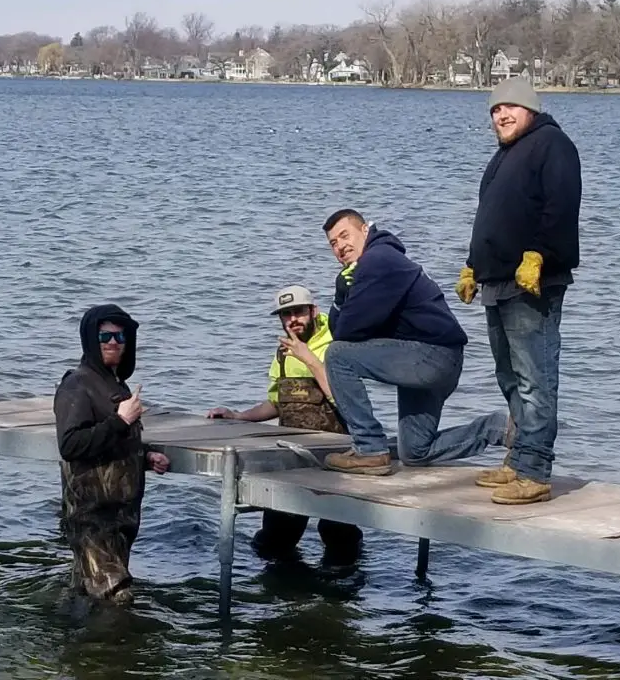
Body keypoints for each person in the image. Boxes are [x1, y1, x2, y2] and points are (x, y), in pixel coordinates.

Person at [455, 77, 582, 505]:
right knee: (509, 375)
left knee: (535, 378)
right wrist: (475, 265)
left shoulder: (552, 144)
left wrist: (540, 255)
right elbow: (493, 216)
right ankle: (518, 457)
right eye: (494, 110)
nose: (501, 116)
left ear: (530, 109)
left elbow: (560, 207)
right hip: (498, 281)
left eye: (509, 108)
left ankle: (535, 469)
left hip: (534, 282)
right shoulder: (504, 156)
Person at [321, 209, 510, 476]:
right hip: (437, 359)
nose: (340, 246)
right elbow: (344, 329)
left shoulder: (377, 261)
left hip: (430, 357)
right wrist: (341, 295)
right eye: (333, 243)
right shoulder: (380, 260)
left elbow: (345, 334)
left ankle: (369, 449)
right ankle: (499, 428)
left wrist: (344, 298)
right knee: (415, 452)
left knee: (337, 356)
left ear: (365, 230)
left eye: (344, 235)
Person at [207, 285, 363, 564]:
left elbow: (347, 402)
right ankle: (280, 596)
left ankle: (340, 597)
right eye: (285, 315)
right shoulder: (283, 352)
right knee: (276, 538)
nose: (293, 320)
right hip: (291, 458)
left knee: (339, 538)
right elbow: (277, 403)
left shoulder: (339, 343)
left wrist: (309, 358)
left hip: (337, 459)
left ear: (313, 311)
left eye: (298, 312)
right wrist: (239, 416)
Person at [54, 303, 170, 604]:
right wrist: (121, 420)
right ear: (92, 340)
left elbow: (109, 442)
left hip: (121, 519)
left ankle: (71, 644)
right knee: (116, 600)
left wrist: (144, 458)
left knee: (86, 594)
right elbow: (71, 445)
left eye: (120, 338)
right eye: (106, 337)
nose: (114, 344)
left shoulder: (115, 385)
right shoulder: (77, 384)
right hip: (93, 518)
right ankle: (110, 649)